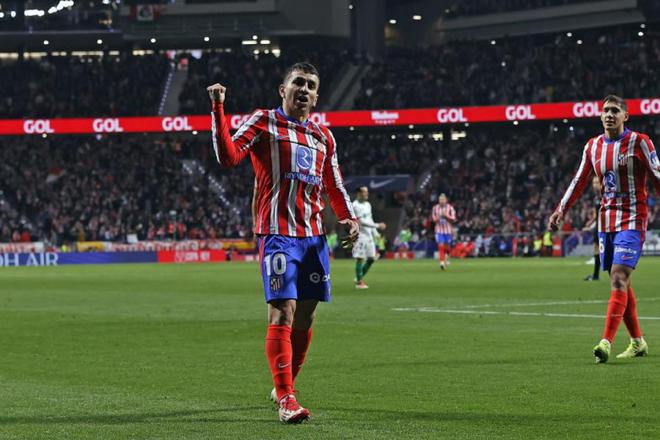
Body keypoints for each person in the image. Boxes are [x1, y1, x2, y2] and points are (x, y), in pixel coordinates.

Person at [207, 62, 359, 423]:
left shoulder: (324, 137)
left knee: (306, 315)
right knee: (282, 311)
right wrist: (218, 109)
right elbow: (228, 157)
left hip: (313, 238)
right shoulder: (263, 121)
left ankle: (284, 386)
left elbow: (334, 183)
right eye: (298, 83)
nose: (304, 90)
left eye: (311, 85)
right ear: (283, 89)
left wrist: (349, 217)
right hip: (277, 234)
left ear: (316, 96)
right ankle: (287, 398)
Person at [549, 95, 660, 363]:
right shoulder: (593, 146)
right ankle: (638, 342)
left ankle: (605, 342)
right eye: (605, 111)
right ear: (600, 116)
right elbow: (579, 180)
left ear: (625, 116)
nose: (609, 115)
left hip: (633, 217)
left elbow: (658, 176)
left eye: (615, 111)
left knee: (619, 276)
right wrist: (561, 209)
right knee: (620, 281)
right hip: (606, 220)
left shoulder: (640, 142)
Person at [352, 186, 386, 289]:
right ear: (359, 193)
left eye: (367, 192)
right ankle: (359, 283)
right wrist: (377, 225)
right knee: (360, 258)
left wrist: (376, 233)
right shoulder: (355, 206)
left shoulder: (368, 204)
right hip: (360, 235)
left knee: (371, 258)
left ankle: (358, 277)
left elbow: (369, 219)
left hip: (369, 235)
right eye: (364, 192)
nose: (367, 194)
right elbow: (361, 222)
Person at [583, 175, 602, 281]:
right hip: (598, 226)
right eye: (593, 183)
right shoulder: (596, 198)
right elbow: (596, 214)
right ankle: (595, 275)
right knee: (596, 249)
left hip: (606, 226)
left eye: (597, 183)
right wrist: (590, 223)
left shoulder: (606, 196)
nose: (595, 185)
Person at [431, 193, 456, 270]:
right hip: (439, 231)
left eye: (443, 199)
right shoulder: (435, 208)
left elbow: (454, 219)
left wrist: (446, 216)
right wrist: (438, 218)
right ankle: (442, 263)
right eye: (440, 199)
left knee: (447, 247)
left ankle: (447, 255)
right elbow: (433, 220)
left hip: (448, 231)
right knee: (441, 246)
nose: (441, 201)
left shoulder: (450, 208)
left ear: (446, 200)